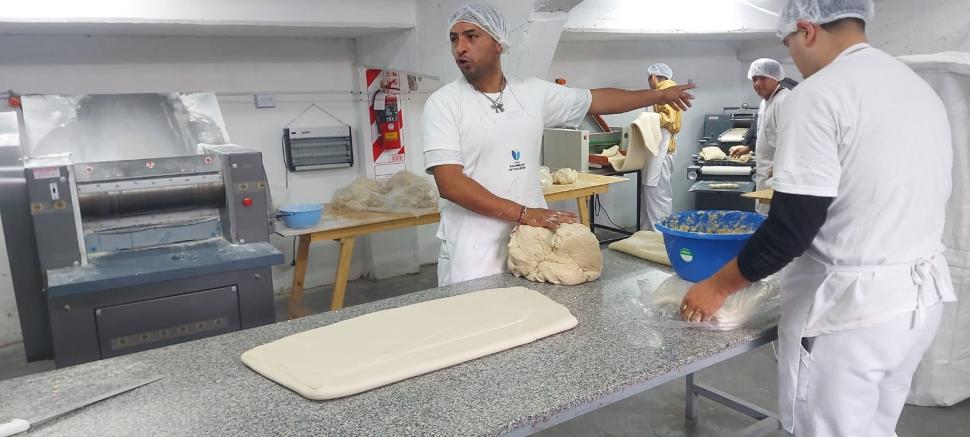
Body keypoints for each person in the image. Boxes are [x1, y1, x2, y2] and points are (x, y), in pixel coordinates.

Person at [679, 1, 955, 436]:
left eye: (790, 45)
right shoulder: (915, 87)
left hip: (849, 315)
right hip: (917, 302)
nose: (794, 59)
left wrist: (717, 287)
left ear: (807, 30)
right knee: (876, 427)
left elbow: (789, 231)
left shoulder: (819, 94)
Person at [422, 2, 695, 286]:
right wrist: (525, 213)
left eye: (471, 36)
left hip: (533, 241)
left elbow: (595, 100)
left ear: (498, 42)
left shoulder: (530, 93)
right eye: (454, 39)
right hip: (473, 247)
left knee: (531, 309)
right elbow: (451, 184)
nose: (460, 48)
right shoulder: (444, 104)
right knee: (478, 312)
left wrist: (657, 96)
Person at [729, 58, 791, 214]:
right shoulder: (765, 102)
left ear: (775, 78)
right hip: (765, 173)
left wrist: (780, 167)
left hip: (778, 177)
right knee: (764, 215)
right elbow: (767, 133)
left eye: (762, 78)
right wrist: (749, 147)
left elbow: (792, 138)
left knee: (776, 217)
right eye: (754, 79)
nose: (757, 83)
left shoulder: (784, 101)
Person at [641, 63, 682, 229]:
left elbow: (668, 119)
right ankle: (648, 234)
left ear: (653, 77)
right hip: (658, 151)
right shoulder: (664, 91)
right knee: (652, 194)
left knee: (658, 195)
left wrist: (643, 120)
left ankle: (661, 236)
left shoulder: (666, 89)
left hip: (661, 151)